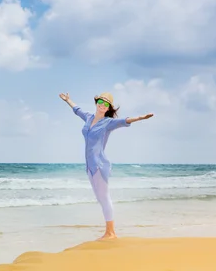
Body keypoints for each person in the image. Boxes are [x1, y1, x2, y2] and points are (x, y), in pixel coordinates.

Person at [59, 91, 153, 240]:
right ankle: (109, 231)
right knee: (100, 198)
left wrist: (141, 117)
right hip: (89, 166)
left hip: (99, 165)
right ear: (96, 103)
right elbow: (77, 110)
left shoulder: (108, 123)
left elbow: (125, 121)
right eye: (100, 102)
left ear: (109, 107)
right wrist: (68, 100)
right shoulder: (88, 117)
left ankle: (111, 233)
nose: (102, 105)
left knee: (104, 198)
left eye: (106, 104)